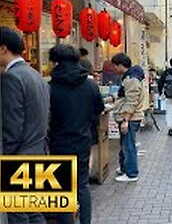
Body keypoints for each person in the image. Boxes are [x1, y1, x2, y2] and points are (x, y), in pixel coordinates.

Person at [0, 27, 50, 224]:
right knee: (34, 213)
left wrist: (3, 158)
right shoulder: (36, 75)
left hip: (19, 157)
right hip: (39, 150)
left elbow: (12, 127)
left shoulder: (11, 77)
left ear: (3, 48)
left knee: (18, 215)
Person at [48, 45, 104, 224]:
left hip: (58, 142)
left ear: (56, 62)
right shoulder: (89, 85)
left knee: (64, 188)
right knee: (82, 186)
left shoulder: (50, 86)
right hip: (82, 140)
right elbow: (99, 109)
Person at [109, 53, 145, 182]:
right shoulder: (128, 78)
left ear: (120, 65)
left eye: (114, 66)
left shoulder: (131, 79)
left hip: (131, 117)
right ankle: (125, 168)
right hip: (129, 116)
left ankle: (131, 173)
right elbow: (123, 96)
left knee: (129, 145)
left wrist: (125, 120)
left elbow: (131, 101)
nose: (113, 69)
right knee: (125, 145)